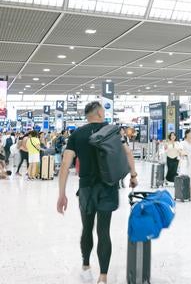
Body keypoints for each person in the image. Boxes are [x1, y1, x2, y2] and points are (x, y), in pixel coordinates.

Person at [57, 101, 138, 284]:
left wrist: (62, 194)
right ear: (100, 113)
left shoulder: (77, 135)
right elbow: (128, 154)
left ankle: (86, 266)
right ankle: (103, 276)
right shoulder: (113, 131)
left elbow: (64, 165)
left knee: (87, 228)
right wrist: (133, 176)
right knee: (103, 230)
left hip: (86, 188)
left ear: (87, 116)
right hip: (107, 187)